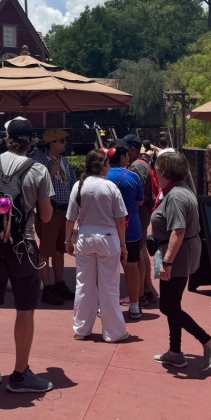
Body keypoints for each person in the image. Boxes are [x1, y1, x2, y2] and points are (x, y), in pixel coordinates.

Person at [0, 117, 54, 393]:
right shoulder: (38, 169)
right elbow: (45, 215)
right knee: (25, 308)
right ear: (30, 141)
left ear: (6, 138)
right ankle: (20, 374)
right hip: (23, 246)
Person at [151, 151, 211, 369]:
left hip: (176, 254)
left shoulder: (174, 196)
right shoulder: (179, 190)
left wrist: (166, 262)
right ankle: (175, 351)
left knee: (167, 305)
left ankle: (209, 341)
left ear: (164, 171)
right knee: (173, 303)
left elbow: (178, 231)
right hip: (177, 251)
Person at [66, 149, 129, 342]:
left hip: (85, 236)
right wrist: (124, 246)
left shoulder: (79, 186)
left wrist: (68, 240)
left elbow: (70, 218)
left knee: (84, 283)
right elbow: (120, 220)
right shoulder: (110, 187)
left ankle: (81, 329)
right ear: (102, 165)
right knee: (109, 285)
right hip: (108, 237)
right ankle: (113, 332)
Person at [32, 128, 77, 304]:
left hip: (64, 210)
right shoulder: (39, 161)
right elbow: (37, 186)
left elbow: (72, 183)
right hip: (50, 209)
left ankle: (59, 283)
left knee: (60, 249)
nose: (65, 144)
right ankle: (47, 287)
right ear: (52, 143)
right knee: (46, 250)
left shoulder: (64, 161)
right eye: (61, 141)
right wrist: (50, 172)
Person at [106, 141, 145, 322]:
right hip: (131, 228)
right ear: (122, 157)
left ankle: (107, 305)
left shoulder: (102, 177)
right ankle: (135, 306)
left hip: (107, 229)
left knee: (107, 267)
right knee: (131, 266)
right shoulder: (132, 177)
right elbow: (140, 202)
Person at [122, 134, 159, 306]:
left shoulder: (136, 166)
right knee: (142, 249)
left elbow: (137, 194)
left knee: (139, 252)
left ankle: (140, 293)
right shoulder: (143, 163)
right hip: (144, 212)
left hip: (140, 212)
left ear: (131, 149)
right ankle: (146, 289)